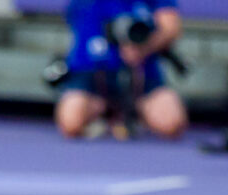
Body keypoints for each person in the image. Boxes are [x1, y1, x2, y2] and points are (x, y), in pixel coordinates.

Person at [54, 0, 187, 139]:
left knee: (172, 123)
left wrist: (144, 48)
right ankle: (105, 113)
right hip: (90, 74)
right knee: (71, 122)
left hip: (142, 76)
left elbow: (171, 27)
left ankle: (133, 115)